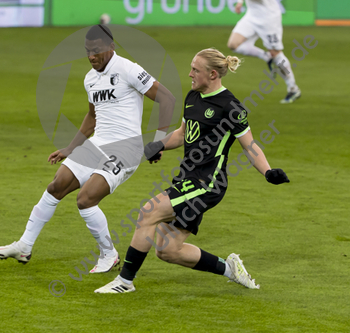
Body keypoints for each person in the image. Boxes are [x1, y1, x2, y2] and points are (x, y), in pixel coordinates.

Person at [95, 48, 290, 293]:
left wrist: (268, 172)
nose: (189, 74)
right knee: (168, 250)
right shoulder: (193, 96)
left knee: (148, 213)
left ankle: (124, 282)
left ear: (212, 74)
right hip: (187, 178)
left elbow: (249, 146)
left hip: (207, 184)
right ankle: (230, 269)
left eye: (195, 70)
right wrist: (160, 144)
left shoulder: (231, 107)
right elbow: (183, 134)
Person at [0, 25, 175, 273]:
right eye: (87, 51)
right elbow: (92, 117)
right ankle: (24, 245)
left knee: (86, 199)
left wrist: (159, 141)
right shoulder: (90, 78)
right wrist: (69, 148)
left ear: (111, 47)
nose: (91, 56)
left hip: (125, 149)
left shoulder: (128, 69)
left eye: (96, 50)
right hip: (98, 143)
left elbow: (167, 98)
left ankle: (109, 254)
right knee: (57, 185)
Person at [227, 0, 301, 104]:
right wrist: (240, 2)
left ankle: (293, 89)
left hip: (269, 17)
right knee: (233, 44)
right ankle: (266, 57)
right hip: (252, 15)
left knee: (276, 53)